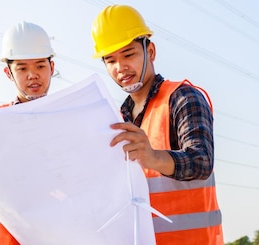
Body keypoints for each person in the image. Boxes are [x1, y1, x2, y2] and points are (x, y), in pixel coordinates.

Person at [92, 5, 224, 245]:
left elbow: (201, 161)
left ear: (150, 51)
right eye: (110, 60)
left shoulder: (183, 98)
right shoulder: (117, 118)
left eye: (128, 54)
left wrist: (153, 157)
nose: (120, 67)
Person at [0, 21, 55, 245]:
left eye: (40, 66)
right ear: (8, 73)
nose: (32, 75)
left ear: (52, 68)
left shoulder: (68, 124)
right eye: (22, 68)